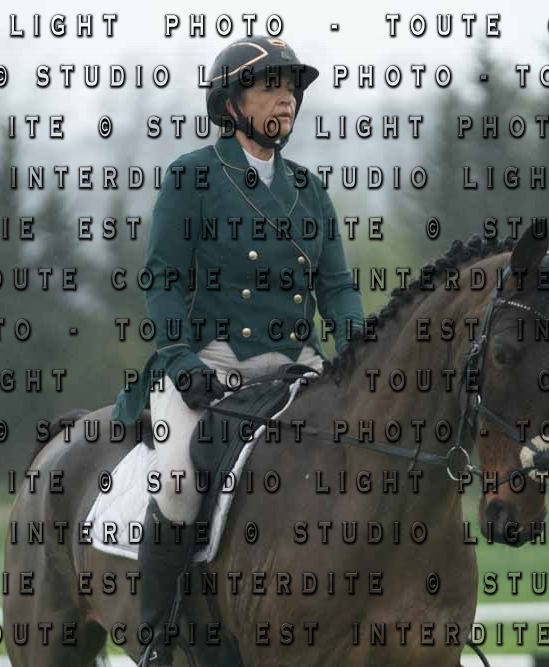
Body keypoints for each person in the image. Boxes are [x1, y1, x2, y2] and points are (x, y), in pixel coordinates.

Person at [111, 35, 366, 666]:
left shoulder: (310, 191)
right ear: (231, 104)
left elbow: (337, 289)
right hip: (212, 364)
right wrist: (179, 360)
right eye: (271, 87)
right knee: (177, 483)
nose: (286, 99)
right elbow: (163, 280)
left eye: (291, 89)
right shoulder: (193, 177)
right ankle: (158, 640)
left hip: (297, 368)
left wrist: (359, 353)